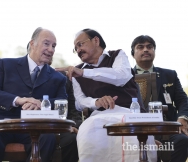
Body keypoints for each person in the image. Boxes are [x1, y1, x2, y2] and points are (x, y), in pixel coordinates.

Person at [0, 27, 77, 162]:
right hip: (1, 124)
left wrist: (40, 103)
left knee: (48, 138)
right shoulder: (5, 65)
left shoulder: (58, 78)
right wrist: (19, 100)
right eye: (46, 43)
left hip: (37, 128)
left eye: (54, 46)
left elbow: (62, 102)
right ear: (32, 44)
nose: (51, 49)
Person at [56, 29, 157, 162]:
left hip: (129, 113)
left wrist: (84, 73)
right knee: (87, 130)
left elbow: (121, 76)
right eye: (76, 48)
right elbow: (79, 102)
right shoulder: (77, 71)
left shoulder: (117, 55)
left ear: (96, 40)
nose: (78, 50)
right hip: (99, 117)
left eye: (80, 44)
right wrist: (96, 102)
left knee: (133, 134)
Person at [131, 35, 188, 162]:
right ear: (133, 54)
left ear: (154, 51)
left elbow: (183, 100)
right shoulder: (126, 77)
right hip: (135, 130)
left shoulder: (169, 75)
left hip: (166, 128)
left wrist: (183, 118)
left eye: (149, 47)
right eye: (140, 47)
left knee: (182, 140)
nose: (146, 50)